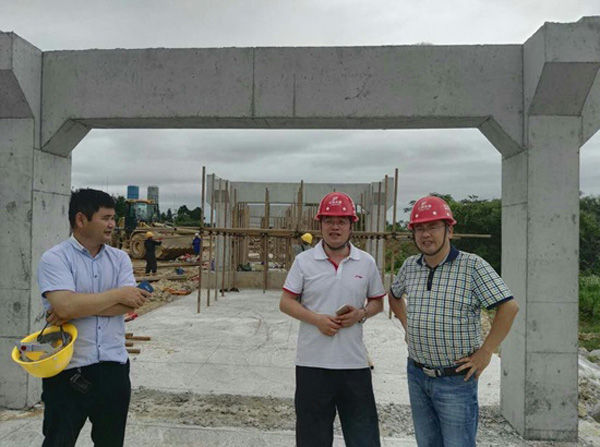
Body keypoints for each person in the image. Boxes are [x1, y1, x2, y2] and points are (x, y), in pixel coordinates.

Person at [389, 196, 519, 447]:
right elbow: (394, 296)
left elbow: (508, 307)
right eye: (419, 228)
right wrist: (407, 326)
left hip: (455, 380)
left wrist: (486, 351)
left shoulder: (472, 266)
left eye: (433, 227)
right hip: (417, 374)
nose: (426, 234)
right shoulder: (410, 266)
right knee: (427, 443)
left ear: (449, 230)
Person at [37, 188, 151, 447]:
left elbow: (129, 304)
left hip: (113, 369)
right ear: (81, 219)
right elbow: (66, 307)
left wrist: (75, 306)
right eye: (106, 218)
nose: (112, 224)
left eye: (113, 218)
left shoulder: (120, 258)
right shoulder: (55, 259)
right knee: (58, 442)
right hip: (68, 370)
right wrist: (117, 294)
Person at [280, 192, 385, 447]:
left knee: (364, 438)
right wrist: (316, 320)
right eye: (329, 221)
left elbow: (377, 303)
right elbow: (286, 302)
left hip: (354, 364)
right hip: (312, 365)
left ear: (351, 225)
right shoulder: (304, 261)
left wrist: (360, 314)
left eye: (341, 221)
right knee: (312, 439)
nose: (335, 227)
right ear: (320, 224)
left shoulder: (366, 262)